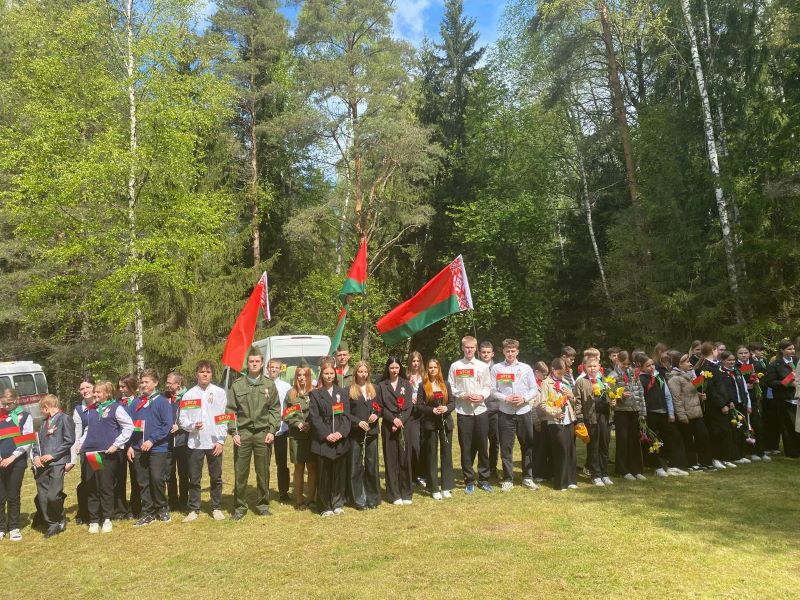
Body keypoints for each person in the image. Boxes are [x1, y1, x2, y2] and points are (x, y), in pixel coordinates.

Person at [227, 348, 281, 519]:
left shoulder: (269, 385)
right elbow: (230, 411)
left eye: (257, 361)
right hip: (243, 434)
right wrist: (234, 432)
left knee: (263, 471)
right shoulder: (237, 385)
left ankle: (263, 505)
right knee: (240, 472)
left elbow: (275, 409)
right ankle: (240, 508)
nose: (254, 364)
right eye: (251, 361)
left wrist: (272, 430)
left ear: (262, 363)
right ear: (247, 363)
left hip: (263, 434)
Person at [79, 381, 133, 533]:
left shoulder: (116, 408)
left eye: (99, 392)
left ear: (107, 393)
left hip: (107, 453)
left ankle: (107, 518)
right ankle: (94, 520)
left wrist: (117, 444)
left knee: (105, 486)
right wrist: (81, 443)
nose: (95, 394)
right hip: (92, 453)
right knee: (93, 485)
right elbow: (89, 429)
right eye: (95, 391)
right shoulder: (91, 409)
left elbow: (129, 426)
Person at [179, 360, 228, 522]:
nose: (205, 374)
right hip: (195, 443)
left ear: (212, 374)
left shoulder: (220, 393)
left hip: (214, 442)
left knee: (216, 477)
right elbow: (182, 420)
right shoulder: (189, 395)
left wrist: (221, 441)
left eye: (208, 372)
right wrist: (193, 426)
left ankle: (216, 507)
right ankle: (194, 509)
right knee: (194, 478)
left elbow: (223, 418)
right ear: (196, 374)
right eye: (202, 372)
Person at [490, 339, 539, 491]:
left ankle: (527, 477)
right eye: (507, 351)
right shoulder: (497, 368)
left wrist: (524, 398)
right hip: (505, 413)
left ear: (517, 351)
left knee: (527, 445)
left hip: (524, 411)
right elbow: (492, 390)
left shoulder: (526, 368)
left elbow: (534, 389)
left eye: (513, 351)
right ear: (503, 351)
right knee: (506, 447)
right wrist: (505, 398)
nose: (510, 354)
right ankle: (508, 479)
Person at [448, 335, 493, 495]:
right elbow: (451, 387)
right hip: (464, 411)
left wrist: (481, 396)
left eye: (472, 347)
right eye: (466, 347)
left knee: (482, 445)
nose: (469, 350)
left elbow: (488, 386)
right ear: (462, 348)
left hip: (480, 410)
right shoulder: (455, 366)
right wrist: (463, 395)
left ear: (476, 349)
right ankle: (469, 480)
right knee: (466, 447)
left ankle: (484, 479)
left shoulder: (483, 366)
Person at [127, 369, 173, 526]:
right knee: (143, 481)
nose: (143, 385)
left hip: (158, 448)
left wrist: (152, 440)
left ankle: (162, 507)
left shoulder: (162, 402)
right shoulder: (136, 404)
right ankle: (148, 512)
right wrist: (130, 446)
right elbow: (130, 426)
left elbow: (166, 424)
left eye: (147, 382)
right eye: (142, 382)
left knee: (157, 478)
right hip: (138, 448)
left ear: (155, 383)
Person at [310, 358, 351, 516]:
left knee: (339, 474)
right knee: (324, 475)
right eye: (326, 373)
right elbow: (315, 418)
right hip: (324, 440)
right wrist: (327, 434)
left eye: (331, 373)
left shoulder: (342, 392)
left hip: (340, 439)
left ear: (335, 374)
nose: (329, 376)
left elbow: (346, 416)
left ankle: (337, 503)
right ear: (322, 375)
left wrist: (340, 433)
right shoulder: (315, 394)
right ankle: (324, 506)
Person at [637, 355, 688, 477]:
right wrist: (642, 415)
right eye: (648, 366)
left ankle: (673, 465)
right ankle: (656, 466)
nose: (651, 367)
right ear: (641, 367)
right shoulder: (640, 379)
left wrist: (671, 413)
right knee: (651, 440)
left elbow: (667, 395)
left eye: (652, 365)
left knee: (673, 436)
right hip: (649, 413)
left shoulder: (659, 377)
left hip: (663, 412)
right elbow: (640, 398)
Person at [32, 394, 75, 538]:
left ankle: (60, 516)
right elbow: (36, 442)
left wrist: (53, 455)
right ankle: (52, 523)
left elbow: (69, 440)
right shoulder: (42, 423)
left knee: (53, 495)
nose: (40, 411)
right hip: (42, 464)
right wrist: (36, 456)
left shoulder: (65, 418)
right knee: (43, 496)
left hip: (57, 462)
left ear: (46, 407)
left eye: (41, 408)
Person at [534, 359, 577, 491]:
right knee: (561, 450)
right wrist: (555, 413)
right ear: (552, 369)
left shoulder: (565, 381)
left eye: (562, 373)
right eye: (559, 373)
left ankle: (571, 480)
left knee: (570, 450)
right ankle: (561, 482)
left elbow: (574, 400)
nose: (560, 376)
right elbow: (541, 404)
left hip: (568, 419)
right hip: (555, 421)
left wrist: (571, 395)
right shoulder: (546, 383)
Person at [666, 351, 714, 471]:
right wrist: (682, 416)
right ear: (679, 364)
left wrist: (700, 396)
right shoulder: (674, 379)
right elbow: (676, 399)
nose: (690, 364)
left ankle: (705, 461)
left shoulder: (689, 375)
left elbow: (690, 393)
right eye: (687, 362)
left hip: (696, 412)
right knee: (688, 440)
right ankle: (691, 463)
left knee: (703, 436)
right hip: (686, 415)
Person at [416, 358, 455, 500]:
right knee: (431, 454)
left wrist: (446, 408)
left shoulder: (446, 384)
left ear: (439, 369)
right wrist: (431, 410)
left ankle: (446, 486)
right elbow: (419, 405)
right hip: (430, 424)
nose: (432, 370)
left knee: (446, 454)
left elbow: (452, 403)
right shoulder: (423, 385)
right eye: (430, 367)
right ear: (427, 369)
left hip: (445, 423)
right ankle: (433, 488)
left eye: (435, 367)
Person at [379, 356, 415, 505]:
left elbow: (409, 406)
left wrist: (400, 421)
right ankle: (394, 494)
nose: (394, 370)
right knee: (391, 459)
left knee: (405, 458)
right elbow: (380, 407)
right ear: (388, 368)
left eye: (397, 368)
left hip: (404, 425)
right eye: (392, 368)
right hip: (388, 426)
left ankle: (406, 492)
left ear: (400, 368)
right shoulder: (381, 385)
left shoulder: (406, 384)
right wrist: (393, 420)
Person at [574, 357, 613, 486]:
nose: (592, 369)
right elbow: (577, 401)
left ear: (599, 366)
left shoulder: (604, 381)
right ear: (585, 367)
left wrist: (613, 401)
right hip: (591, 418)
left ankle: (604, 473)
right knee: (594, 446)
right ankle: (595, 474)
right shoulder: (581, 382)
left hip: (605, 417)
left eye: (595, 366)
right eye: (589, 366)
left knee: (604, 445)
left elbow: (611, 397)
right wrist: (579, 418)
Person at [347, 361, 380, 510]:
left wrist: (377, 414)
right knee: (355, 465)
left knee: (372, 464)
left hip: (372, 432)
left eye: (365, 372)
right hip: (356, 432)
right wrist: (357, 422)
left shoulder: (375, 388)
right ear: (355, 373)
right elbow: (346, 413)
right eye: (360, 371)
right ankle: (357, 498)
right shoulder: (349, 390)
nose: (363, 374)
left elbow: (380, 407)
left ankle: (372, 497)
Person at [0, 389, 33, 541]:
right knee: (1, 496)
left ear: (16, 401)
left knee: (13, 495)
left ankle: (14, 527)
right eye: (3, 404)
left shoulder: (25, 416)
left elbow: (27, 440)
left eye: (9, 404)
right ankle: (1, 527)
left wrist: (12, 457)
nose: (6, 406)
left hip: (17, 461)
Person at [284, 363, 316, 509]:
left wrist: (311, 424)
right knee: (299, 467)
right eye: (299, 375)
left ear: (309, 376)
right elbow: (286, 414)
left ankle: (311, 498)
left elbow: (319, 412)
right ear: (295, 376)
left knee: (312, 467)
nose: (302, 378)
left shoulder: (314, 392)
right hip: (296, 436)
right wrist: (297, 423)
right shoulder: (291, 394)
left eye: (305, 375)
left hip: (311, 435)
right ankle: (299, 499)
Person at [609, 351, 646, 480]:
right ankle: (622, 470)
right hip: (621, 411)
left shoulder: (634, 373)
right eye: (623, 363)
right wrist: (620, 395)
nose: (626, 366)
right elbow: (609, 394)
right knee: (623, 440)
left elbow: (640, 392)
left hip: (634, 410)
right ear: (618, 361)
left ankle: (636, 469)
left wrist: (643, 412)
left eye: (628, 364)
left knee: (634, 440)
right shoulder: (613, 375)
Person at [698, 342, 735, 469]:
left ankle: (724, 457)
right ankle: (716, 457)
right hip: (713, 406)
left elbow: (722, 386)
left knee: (726, 431)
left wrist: (728, 401)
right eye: (716, 350)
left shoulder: (715, 365)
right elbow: (711, 389)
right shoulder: (706, 367)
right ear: (712, 350)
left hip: (723, 402)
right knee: (717, 432)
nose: (718, 352)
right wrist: (721, 404)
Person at [764, 340, 799, 457]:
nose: (792, 351)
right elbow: (770, 382)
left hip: (798, 397)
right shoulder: (775, 365)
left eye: (793, 348)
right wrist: (787, 383)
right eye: (789, 349)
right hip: (785, 399)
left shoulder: (797, 361)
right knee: (789, 426)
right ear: (782, 350)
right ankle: (792, 451)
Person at [268, 359, 292, 502]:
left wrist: (287, 418)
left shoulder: (286, 386)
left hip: (281, 430)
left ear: (280, 369)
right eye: (271, 367)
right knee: (264, 464)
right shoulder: (262, 385)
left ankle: (283, 492)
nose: (274, 370)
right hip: (265, 430)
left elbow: (290, 406)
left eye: (276, 368)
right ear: (267, 368)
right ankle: (264, 492)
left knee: (282, 463)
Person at [72, 377, 95, 525]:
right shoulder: (78, 409)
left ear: (94, 388)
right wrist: (74, 455)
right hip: (87, 451)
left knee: (101, 479)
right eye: (82, 388)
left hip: (103, 450)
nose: (85, 391)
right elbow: (77, 434)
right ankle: (85, 512)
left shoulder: (103, 404)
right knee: (88, 480)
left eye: (88, 387)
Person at [165, 371, 189, 513]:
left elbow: (194, 416)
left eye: (170, 383)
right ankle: (172, 501)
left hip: (183, 441)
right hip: (167, 442)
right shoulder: (165, 397)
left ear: (178, 384)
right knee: (169, 473)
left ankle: (184, 501)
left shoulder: (189, 396)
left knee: (184, 473)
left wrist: (179, 425)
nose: (167, 385)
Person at [115, 374, 138, 519]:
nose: (121, 389)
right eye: (119, 387)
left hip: (135, 445)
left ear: (131, 386)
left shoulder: (139, 402)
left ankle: (135, 508)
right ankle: (120, 509)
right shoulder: (116, 403)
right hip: (119, 445)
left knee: (136, 477)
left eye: (123, 386)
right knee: (119, 478)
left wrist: (132, 445)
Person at [749, 342, 775, 456]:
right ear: (752, 352)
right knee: (756, 422)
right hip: (754, 394)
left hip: (765, 392)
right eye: (759, 350)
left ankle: (764, 447)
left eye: (762, 350)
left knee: (764, 421)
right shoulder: (751, 362)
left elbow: (769, 373)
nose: (762, 352)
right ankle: (754, 448)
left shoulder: (764, 361)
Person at [479, 341, 500, 481]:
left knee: (495, 441)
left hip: (495, 409)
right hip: (479, 408)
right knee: (481, 441)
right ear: (479, 353)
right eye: (483, 352)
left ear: (493, 354)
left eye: (488, 352)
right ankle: (482, 468)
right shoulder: (476, 367)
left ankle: (492, 468)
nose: (486, 355)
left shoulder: (498, 369)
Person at [406, 350, 425, 487]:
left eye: (418, 361)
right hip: (411, 414)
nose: (416, 363)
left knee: (424, 444)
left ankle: (422, 474)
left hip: (424, 413)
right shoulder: (406, 376)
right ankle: (412, 474)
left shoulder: (425, 376)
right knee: (414, 445)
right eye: (413, 361)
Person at [531, 361, 552, 482]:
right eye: (543, 374)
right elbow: (532, 406)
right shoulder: (532, 384)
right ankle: (536, 473)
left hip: (545, 419)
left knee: (544, 447)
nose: (545, 376)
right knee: (537, 448)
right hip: (536, 420)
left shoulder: (544, 382)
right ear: (536, 372)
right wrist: (536, 422)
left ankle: (545, 472)